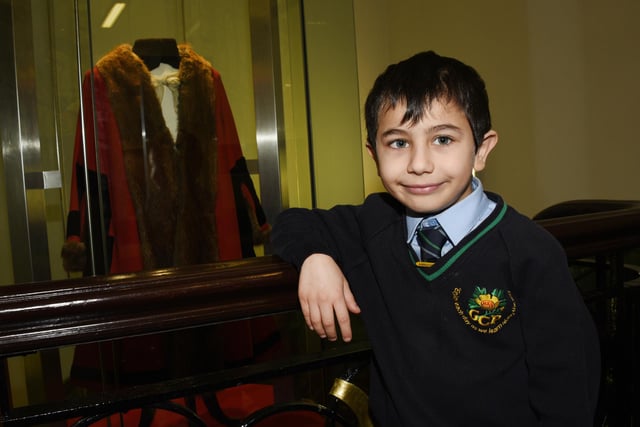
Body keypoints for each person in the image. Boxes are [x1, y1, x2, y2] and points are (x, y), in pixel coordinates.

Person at [271, 50, 600, 426]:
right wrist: (315, 258)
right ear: (373, 154)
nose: (419, 163)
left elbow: (568, 391)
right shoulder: (375, 223)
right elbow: (291, 222)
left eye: (442, 139)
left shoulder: (530, 253)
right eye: (397, 143)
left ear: (481, 149)